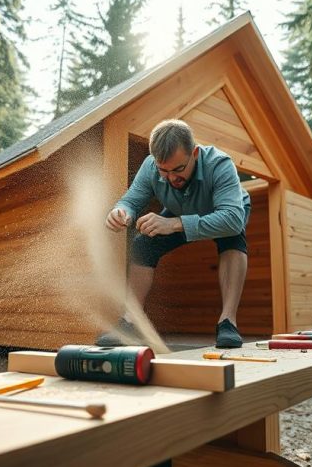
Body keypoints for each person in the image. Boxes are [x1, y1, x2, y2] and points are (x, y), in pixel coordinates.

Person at [100, 119, 251, 348]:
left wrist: (173, 224)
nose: (171, 178)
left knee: (232, 236)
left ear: (195, 153)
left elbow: (232, 219)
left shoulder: (220, 164)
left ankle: (228, 322)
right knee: (143, 245)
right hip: (180, 210)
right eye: (164, 171)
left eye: (179, 169)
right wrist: (121, 212)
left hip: (226, 213)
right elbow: (131, 200)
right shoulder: (150, 166)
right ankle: (131, 321)